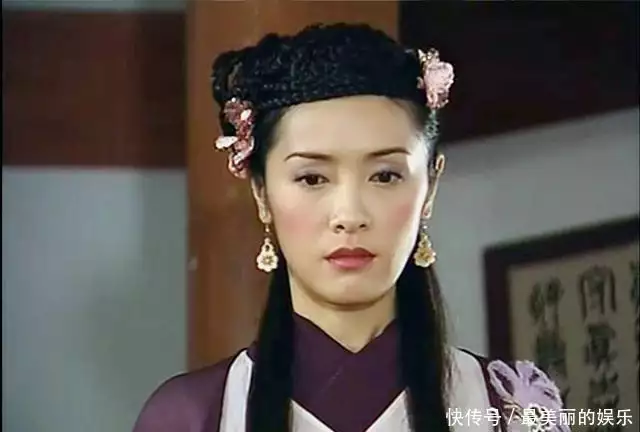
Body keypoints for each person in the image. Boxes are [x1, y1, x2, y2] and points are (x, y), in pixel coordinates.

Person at [133, 23, 567, 432]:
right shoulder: (190, 416)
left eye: (385, 176)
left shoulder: (509, 409)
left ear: (430, 188)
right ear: (262, 193)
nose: (350, 215)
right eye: (312, 178)